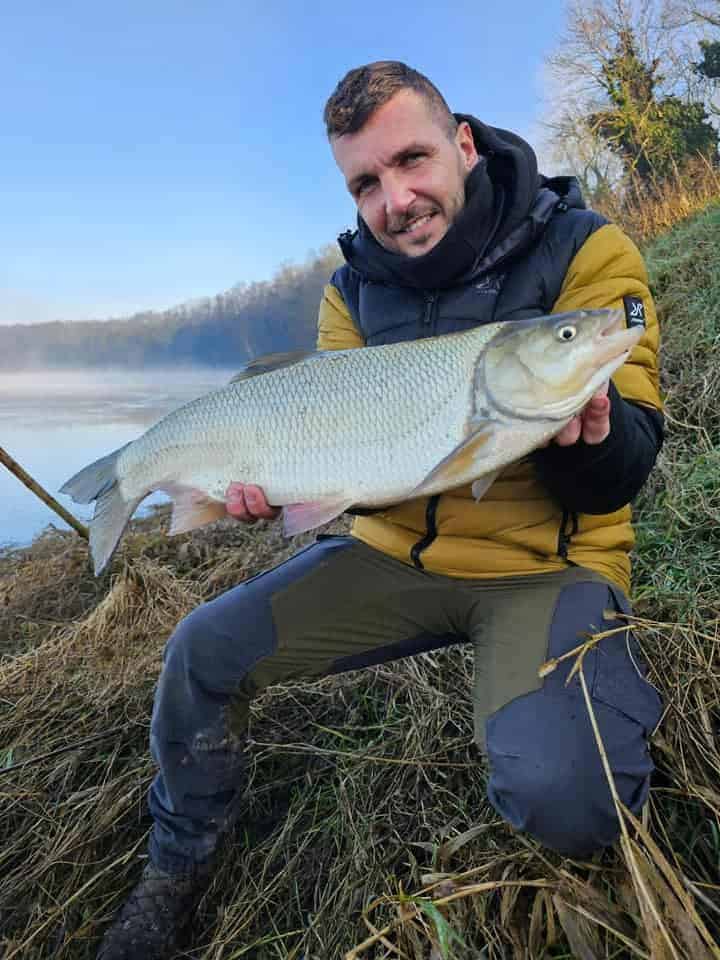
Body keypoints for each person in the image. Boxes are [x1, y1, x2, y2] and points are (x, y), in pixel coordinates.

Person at [97, 62, 664, 959]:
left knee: (568, 803)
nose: (395, 199)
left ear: (464, 145)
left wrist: (592, 434)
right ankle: (176, 867)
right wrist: (261, 490)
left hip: (544, 568)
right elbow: (335, 466)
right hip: (391, 556)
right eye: (366, 181)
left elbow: (624, 473)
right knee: (199, 651)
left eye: (412, 160)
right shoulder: (351, 293)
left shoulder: (587, 254)